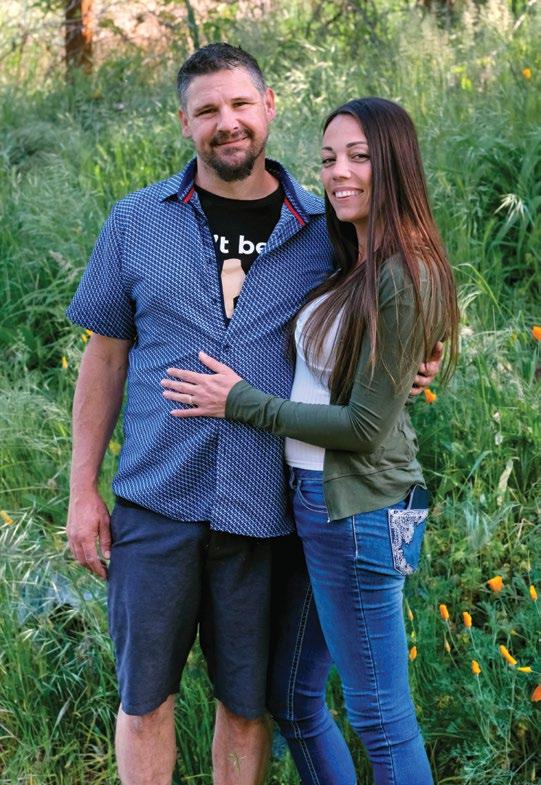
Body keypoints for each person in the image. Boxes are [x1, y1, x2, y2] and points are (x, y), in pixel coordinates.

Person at [66, 42, 441, 785]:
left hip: (265, 509)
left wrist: (420, 359)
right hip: (156, 499)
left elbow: (389, 301)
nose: (226, 122)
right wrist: (82, 490)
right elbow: (103, 358)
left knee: (247, 703)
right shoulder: (137, 221)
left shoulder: (324, 225)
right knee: (144, 698)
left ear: (268, 106)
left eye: (240, 103)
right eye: (206, 110)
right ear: (184, 123)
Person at [160, 97, 459, 785]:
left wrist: (240, 402)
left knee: (380, 717)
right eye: (328, 159)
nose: (338, 172)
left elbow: (362, 428)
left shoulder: (402, 271)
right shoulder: (352, 256)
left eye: (359, 157)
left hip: (357, 508)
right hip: (313, 504)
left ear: (395, 164)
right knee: (291, 697)